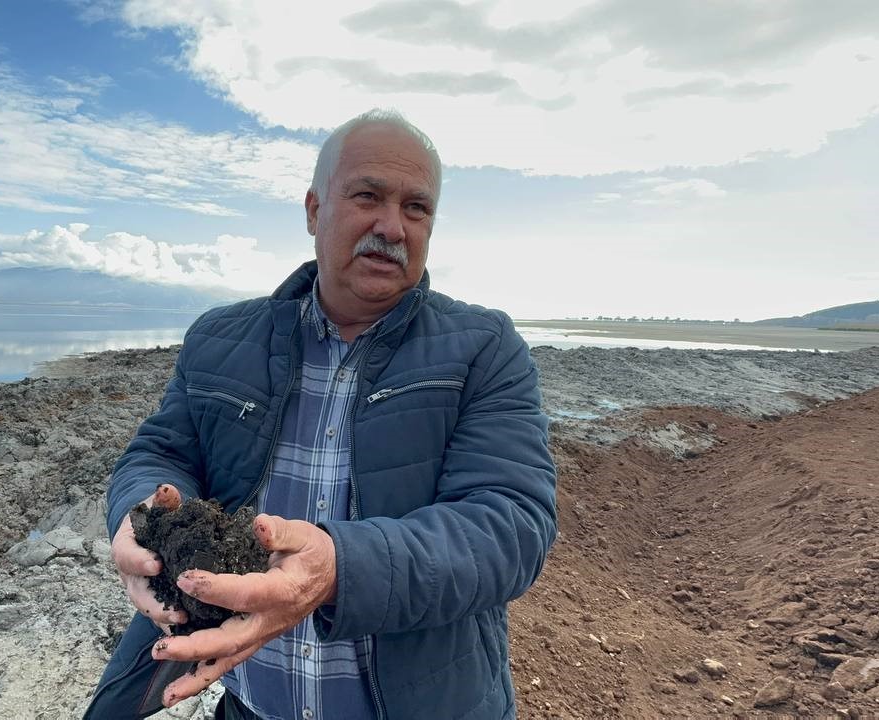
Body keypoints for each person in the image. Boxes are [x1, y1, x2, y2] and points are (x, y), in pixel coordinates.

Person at [85, 109, 557, 720]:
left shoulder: (484, 347)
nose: (392, 226)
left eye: (417, 208)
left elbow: (511, 525)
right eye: (367, 196)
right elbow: (164, 451)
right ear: (314, 210)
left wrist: (338, 569)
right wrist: (142, 515)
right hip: (251, 707)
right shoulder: (219, 339)